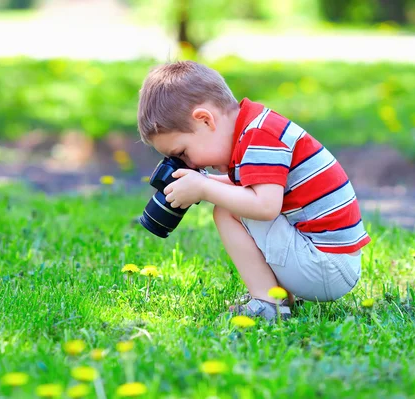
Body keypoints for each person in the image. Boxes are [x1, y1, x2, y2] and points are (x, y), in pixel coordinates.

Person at [136, 61, 371, 320]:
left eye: (183, 153)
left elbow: (265, 206)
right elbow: (254, 192)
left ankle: (269, 302)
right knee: (230, 202)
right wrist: (201, 183)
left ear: (205, 120)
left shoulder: (260, 137)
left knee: (226, 211)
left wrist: (203, 186)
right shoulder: (256, 127)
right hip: (329, 263)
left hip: (326, 268)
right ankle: (277, 294)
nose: (189, 164)